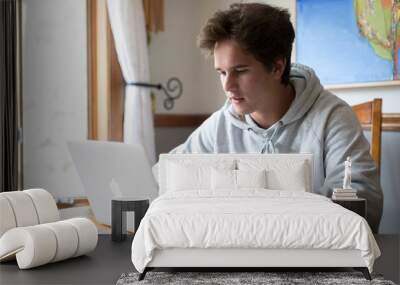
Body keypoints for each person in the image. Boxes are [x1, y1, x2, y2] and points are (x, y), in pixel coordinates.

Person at [158, 3, 383, 232]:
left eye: (240, 71)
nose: (228, 85)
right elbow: (166, 177)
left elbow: (364, 207)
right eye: (222, 72)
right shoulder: (220, 125)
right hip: (234, 251)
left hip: (310, 257)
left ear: (277, 67)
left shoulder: (333, 118)